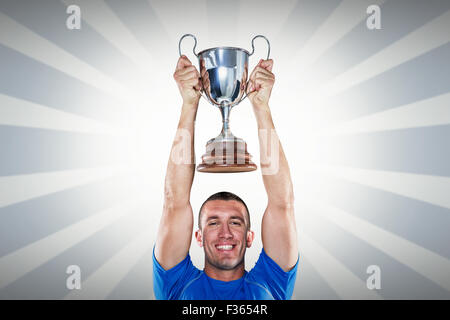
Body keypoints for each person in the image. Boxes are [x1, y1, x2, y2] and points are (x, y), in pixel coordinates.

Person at [153, 55, 298, 300]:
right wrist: (189, 104)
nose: (225, 232)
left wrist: (261, 106)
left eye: (235, 222)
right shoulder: (176, 284)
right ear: (197, 237)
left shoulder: (271, 283)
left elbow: (282, 204)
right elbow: (173, 203)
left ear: (250, 237)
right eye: (212, 222)